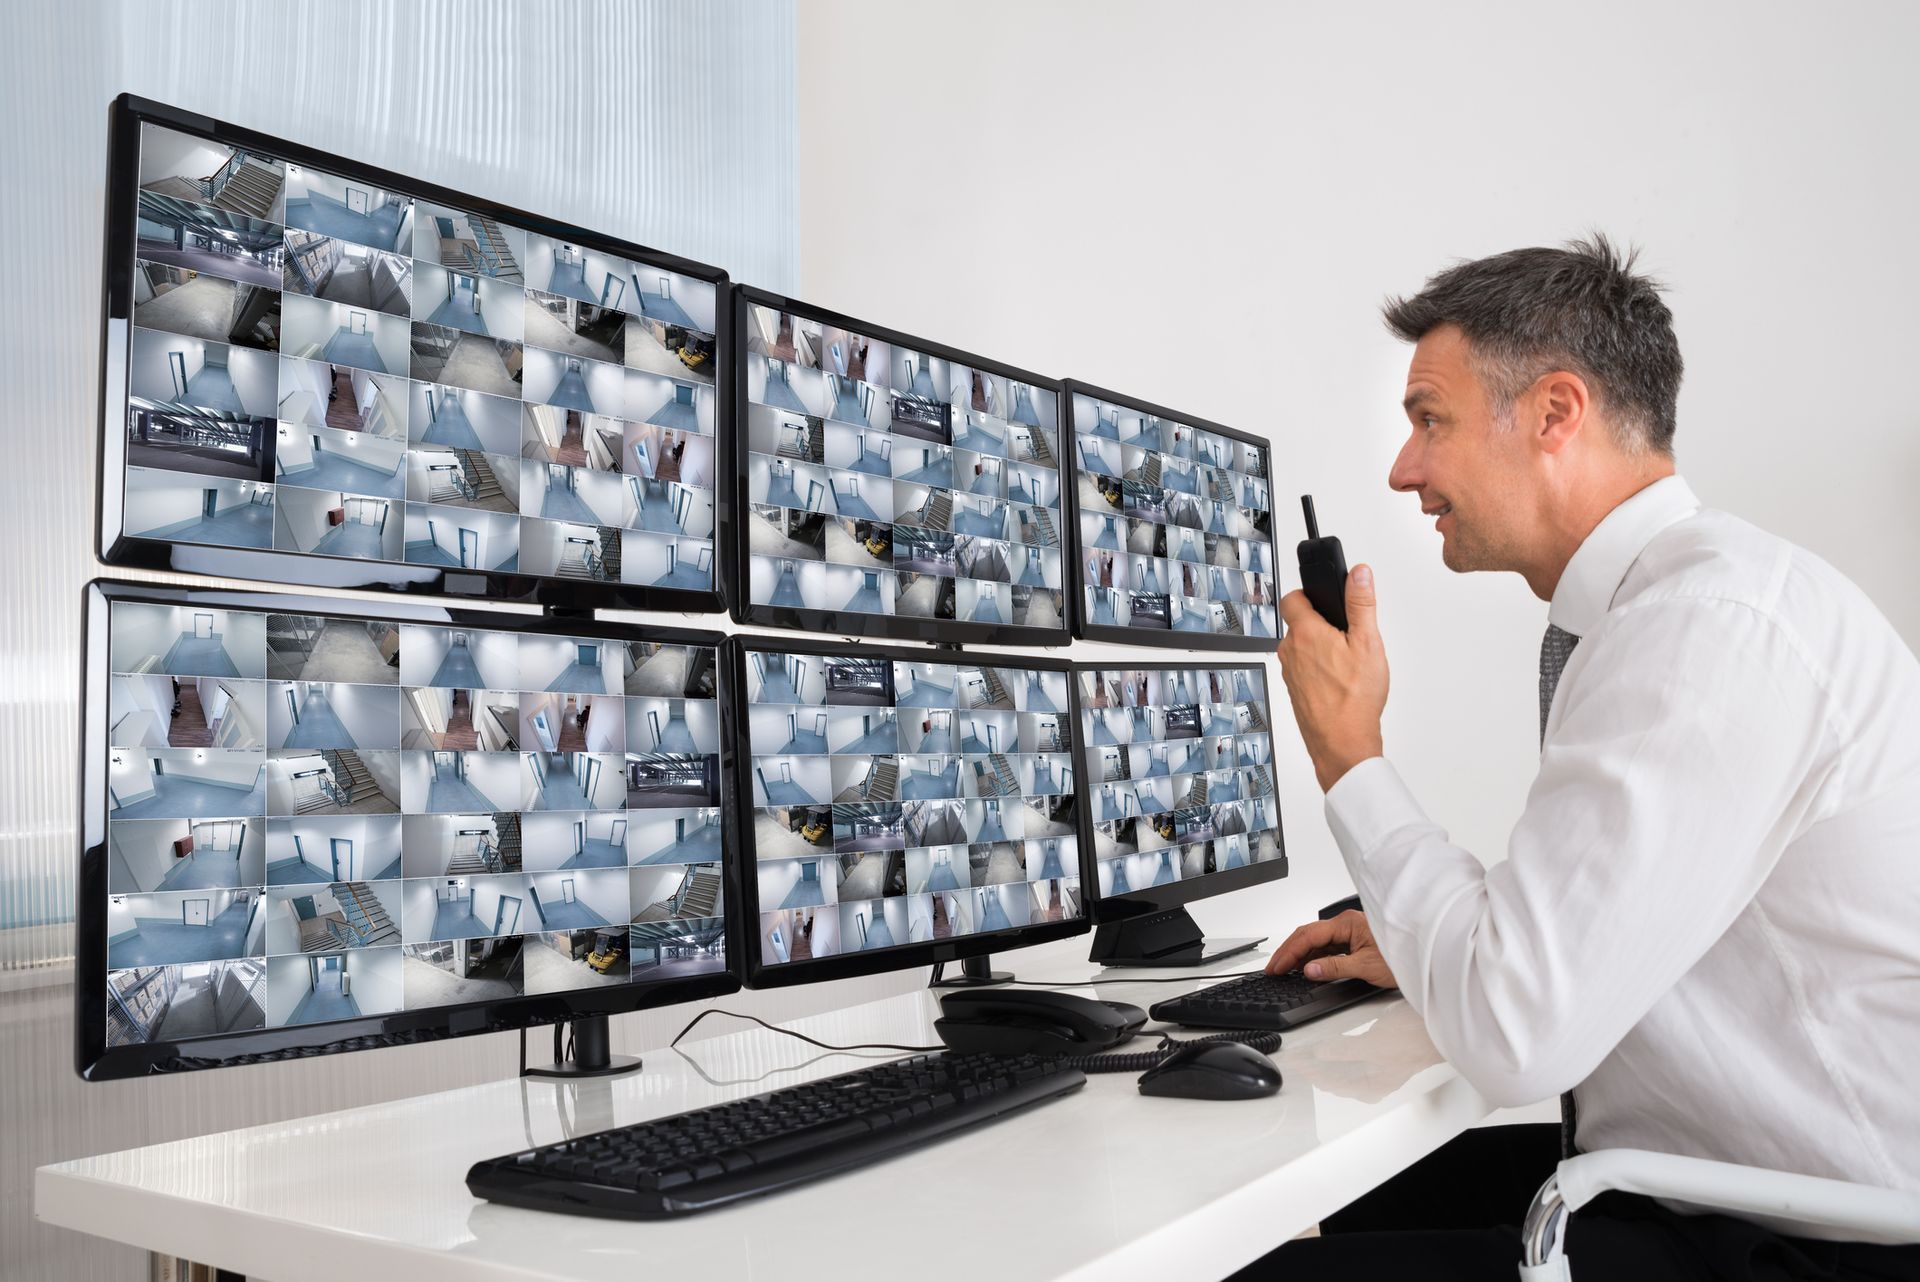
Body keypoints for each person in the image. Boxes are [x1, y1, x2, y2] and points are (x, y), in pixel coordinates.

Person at [1240, 236, 1920, 1279]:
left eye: (1431, 421)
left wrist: (1349, 756)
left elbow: (1518, 1033)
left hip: (1829, 1238)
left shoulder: (1706, 628)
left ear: (1557, 412)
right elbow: (1599, 923)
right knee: (1343, 1198)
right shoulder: (1663, 610)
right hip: (1714, 1172)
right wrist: (1434, 952)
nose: (1403, 467)